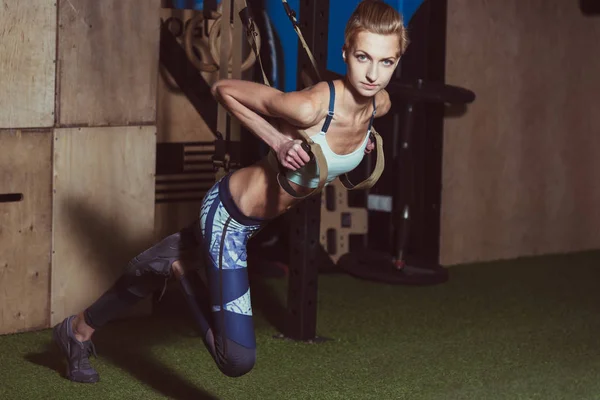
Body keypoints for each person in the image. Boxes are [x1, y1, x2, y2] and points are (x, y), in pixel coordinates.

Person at [52, 0, 409, 383]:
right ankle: (180, 266)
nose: (373, 74)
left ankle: (77, 331)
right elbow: (224, 90)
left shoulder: (378, 106)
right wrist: (278, 142)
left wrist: (362, 146)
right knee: (235, 359)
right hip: (229, 219)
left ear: (397, 59)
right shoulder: (310, 107)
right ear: (345, 52)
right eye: (362, 57)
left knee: (144, 273)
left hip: (257, 222)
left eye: (386, 62)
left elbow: (340, 148)